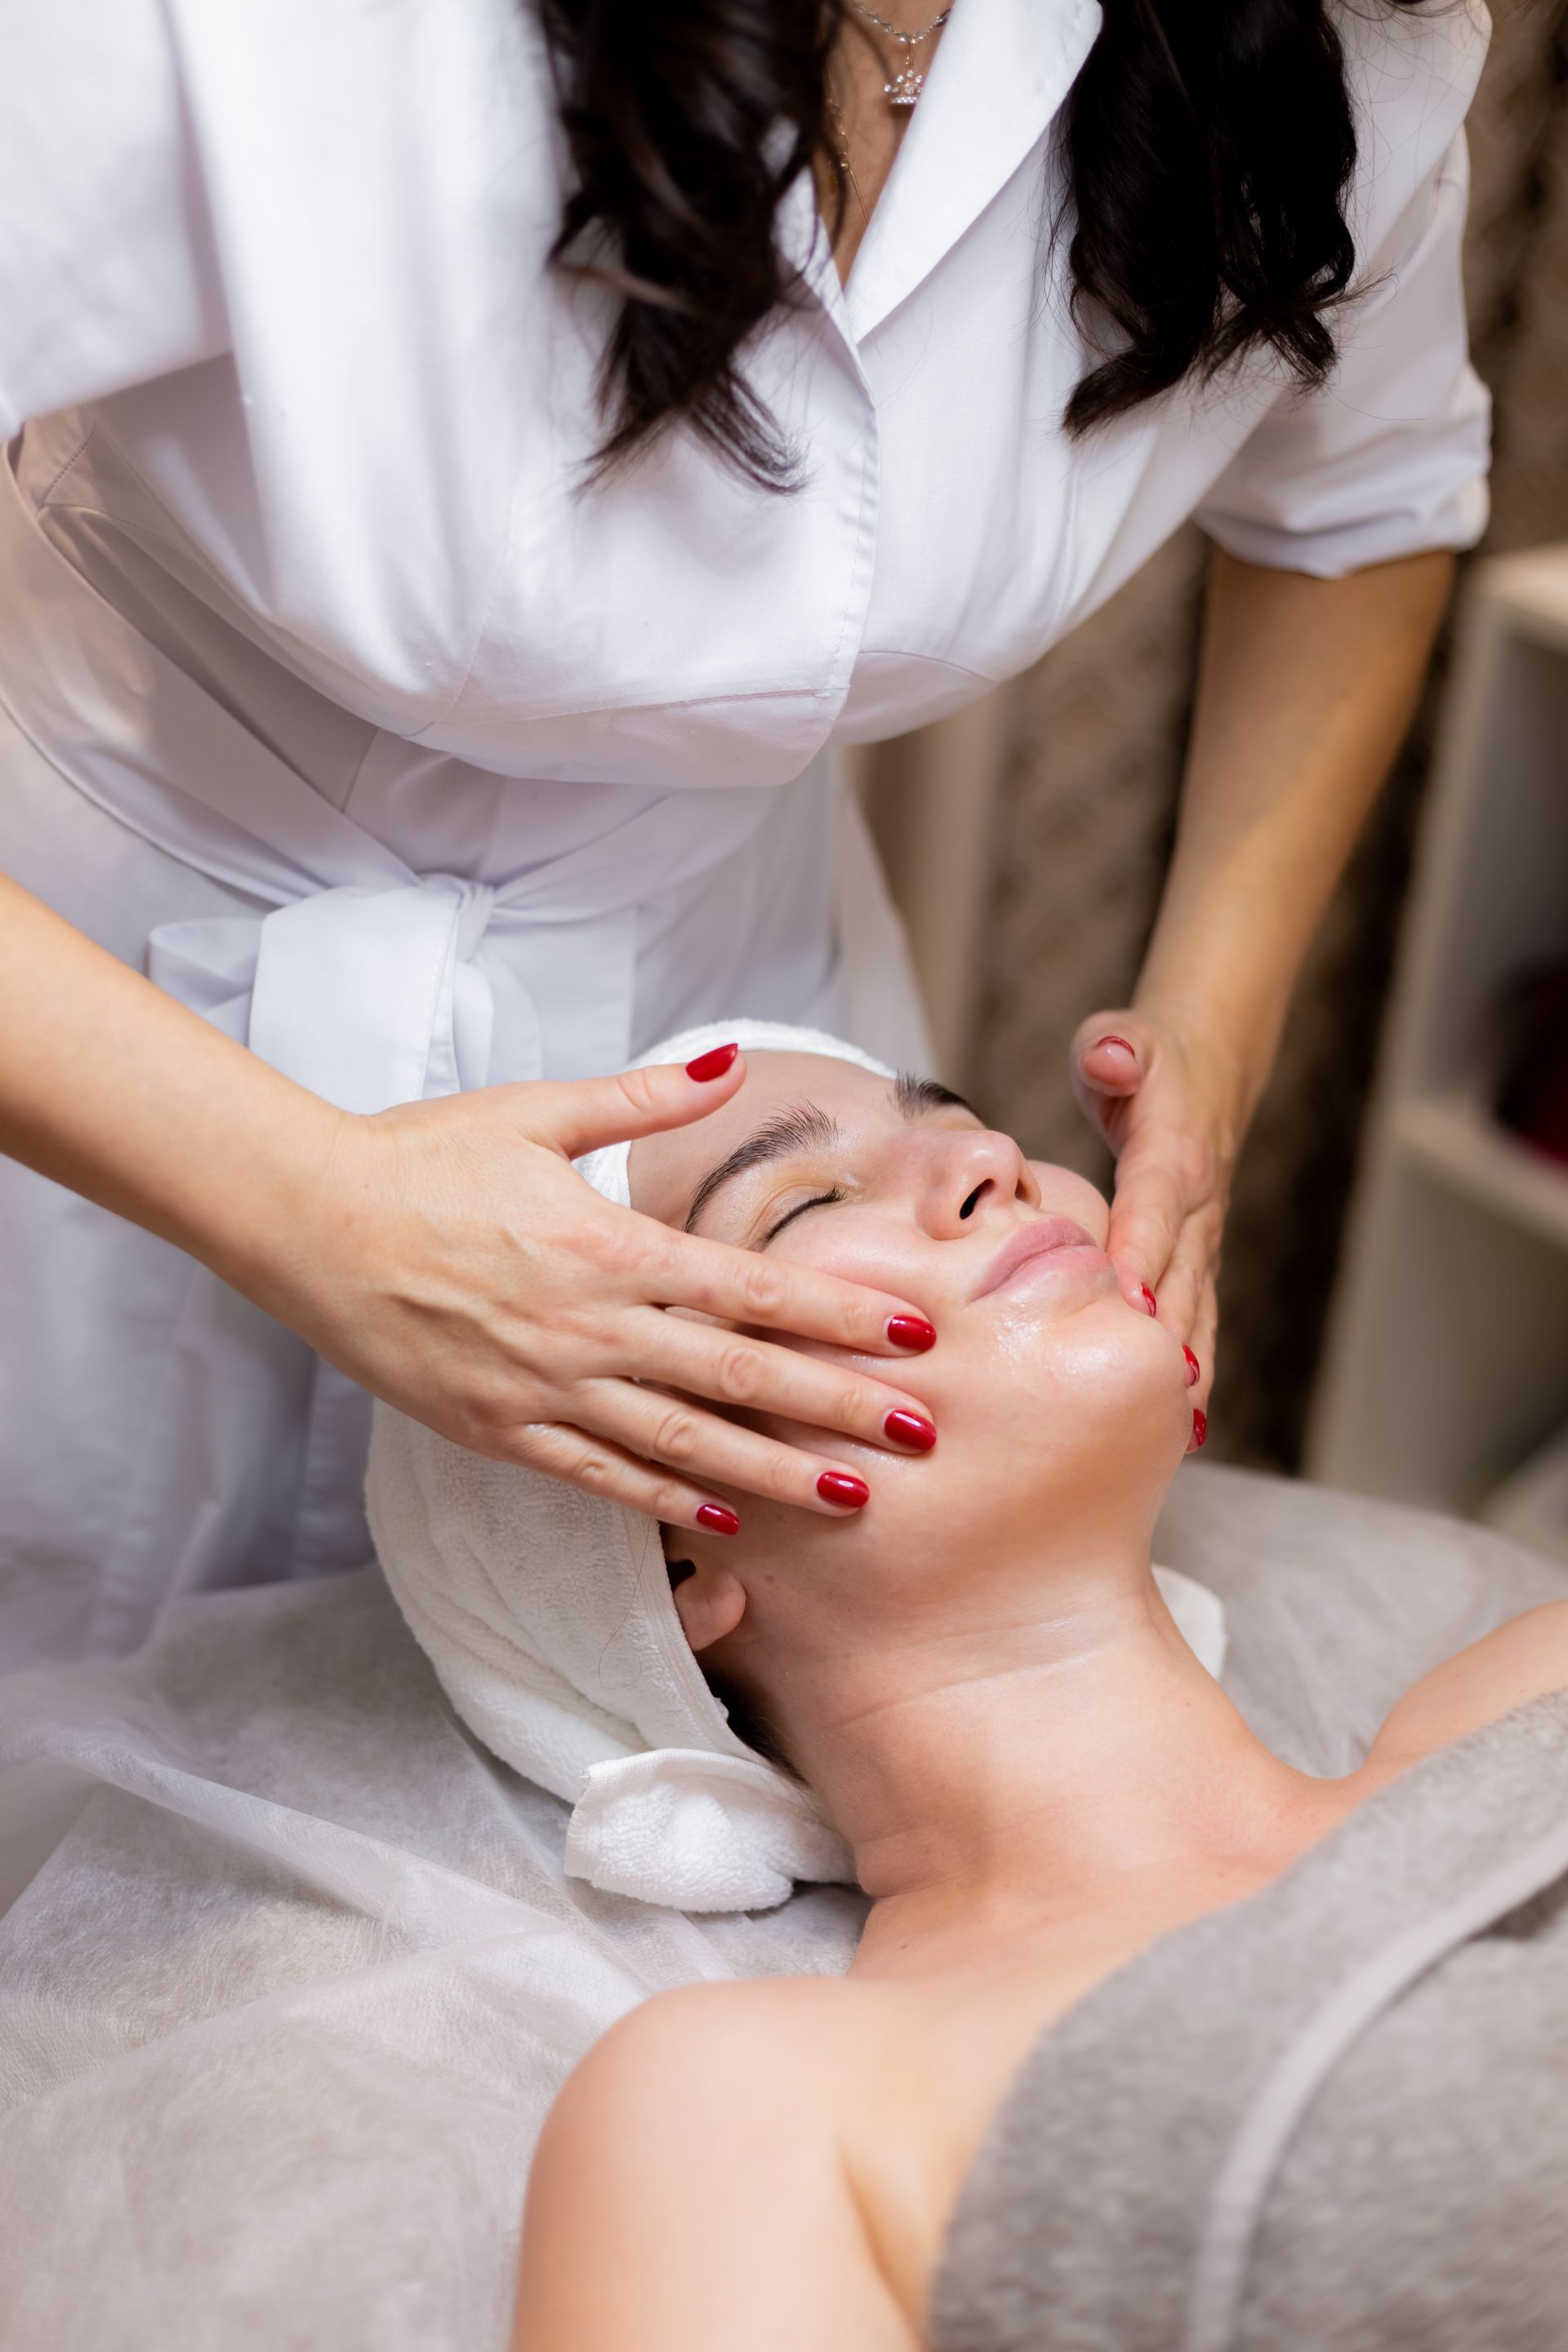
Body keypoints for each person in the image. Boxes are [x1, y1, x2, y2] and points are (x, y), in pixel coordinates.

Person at [0, 0, 1487, 1664]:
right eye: (797, 1208)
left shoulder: (1339, 34)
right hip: (85, 1012)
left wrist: (1211, 1038)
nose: (990, 1167)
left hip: (727, 975)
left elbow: (1364, 503)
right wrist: (305, 1205)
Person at [510, 1042, 1568, 2350]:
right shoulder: (762, 2104)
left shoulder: (1538, 1678)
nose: (990, 1161)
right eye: (802, 1204)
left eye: (964, 1119)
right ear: (676, 1553)